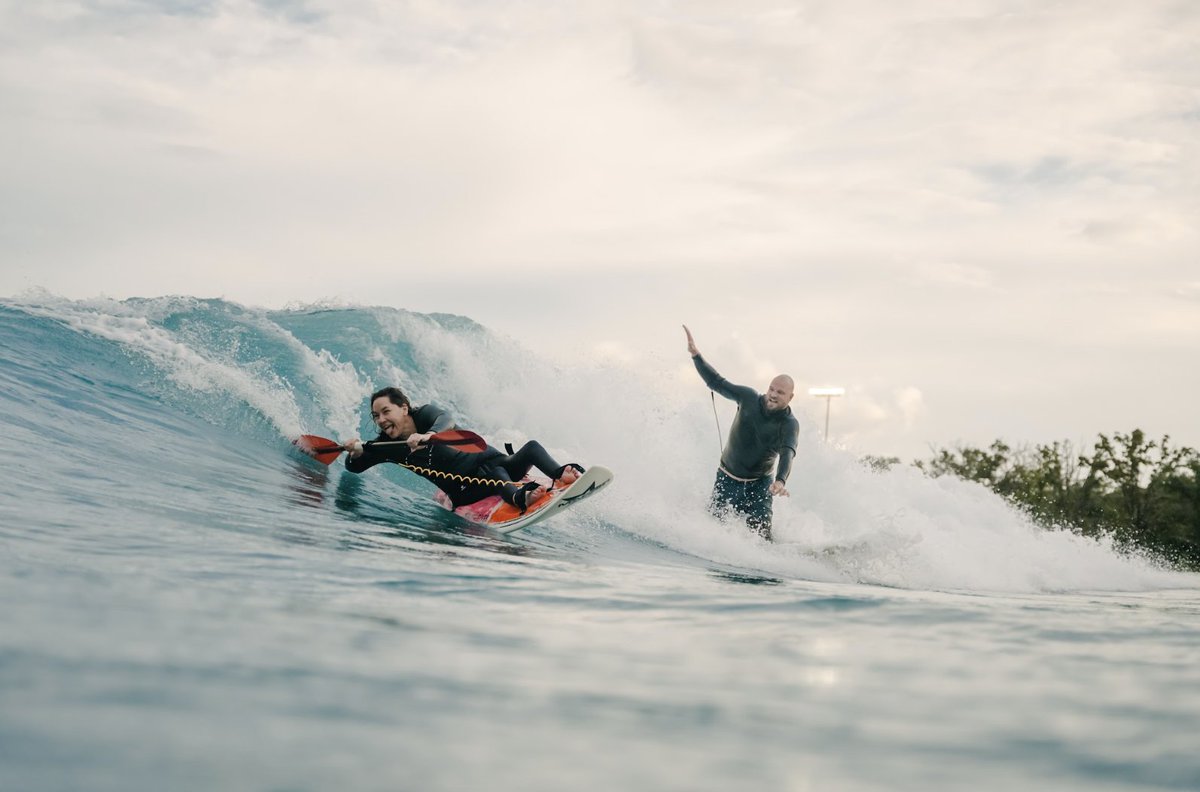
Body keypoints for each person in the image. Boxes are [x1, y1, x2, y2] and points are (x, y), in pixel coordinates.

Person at [341, 386, 581, 513]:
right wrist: (354, 452)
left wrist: (428, 436)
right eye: (376, 416)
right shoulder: (386, 446)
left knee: (531, 448)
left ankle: (560, 474)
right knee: (496, 476)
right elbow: (354, 468)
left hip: (495, 461)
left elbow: (446, 420)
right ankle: (521, 498)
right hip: (466, 489)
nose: (381, 420)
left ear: (403, 408)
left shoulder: (425, 415)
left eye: (386, 412)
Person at [683, 325, 799, 540]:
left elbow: (788, 452)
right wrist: (696, 356)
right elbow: (716, 382)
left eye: (780, 392)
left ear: (790, 397)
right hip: (726, 478)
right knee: (713, 532)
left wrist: (781, 481)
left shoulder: (789, 424)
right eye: (772, 388)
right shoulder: (748, 398)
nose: (773, 394)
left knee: (762, 538)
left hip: (759, 486)